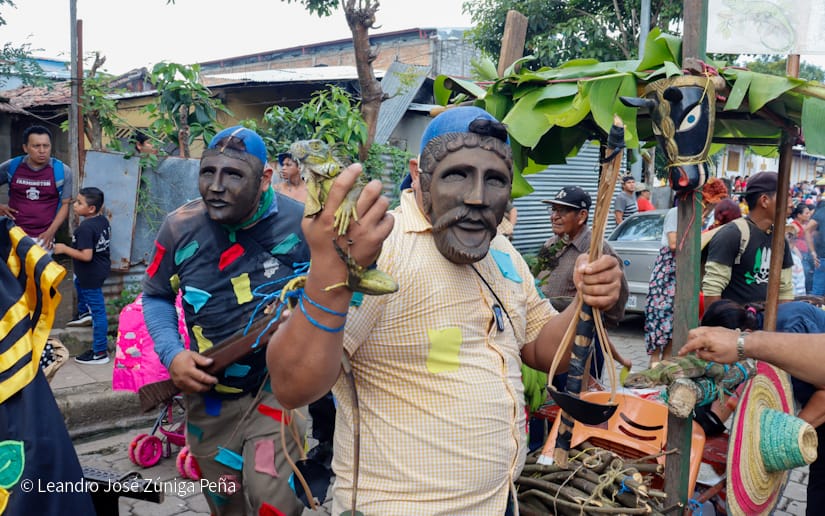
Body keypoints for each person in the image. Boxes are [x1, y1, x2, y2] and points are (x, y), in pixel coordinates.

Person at [267, 106, 624, 514]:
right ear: (419, 175)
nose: (477, 197)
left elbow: (542, 349)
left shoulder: (502, 252)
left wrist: (586, 299)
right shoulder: (380, 248)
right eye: (458, 175)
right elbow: (293, 387)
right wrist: (328, 278)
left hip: (498, 501)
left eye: (495, 180)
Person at [141, 126, 310, 516]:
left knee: (274, 501)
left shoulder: (302, 225)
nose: (215, 186)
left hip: (277, 391)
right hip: (209, 402)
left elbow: (337, 295)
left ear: (265, 177)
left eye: (233, 175)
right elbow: (156, 295)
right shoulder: (179, 227)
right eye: (208, 172)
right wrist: (172, 355)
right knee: (225, 503)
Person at [698, 299, 825, 514]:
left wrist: (781, 441)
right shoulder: (754, 338)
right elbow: (732, 388)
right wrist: (709, 420)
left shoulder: (787, 331)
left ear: (740, 336)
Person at [535, 186, 631, 375]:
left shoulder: (597, 250)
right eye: (553, 210)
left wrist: (599, 323)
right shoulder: (550, 245)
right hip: (546, 338)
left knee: (580, 399)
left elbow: (617, 300)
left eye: (562, 211)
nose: (554, 216)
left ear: (582, 216)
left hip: (580, 343)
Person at [702, 171, 794, 307]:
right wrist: (718, 325)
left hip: (765, 325)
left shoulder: (780, 240)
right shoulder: (732, 234)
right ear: (764, 200)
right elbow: (713, 289)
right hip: (734, 326)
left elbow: (785, 290)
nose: (791, 204)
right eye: (787, 196)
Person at [54, 187, 112, 363]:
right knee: (78, 284)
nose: (74, 205)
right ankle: (83, 312)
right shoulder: (102, 220)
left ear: (91, 209)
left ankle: (100, 352)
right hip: (98, 269)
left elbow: (86, 256)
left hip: (90, 274)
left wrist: (64, 249)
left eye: (79, 203)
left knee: (98, 313)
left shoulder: (85, 229)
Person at [0, 125, 73, 250]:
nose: (42, 150)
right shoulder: (12, 166)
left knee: (41, 270)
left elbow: (65, 204)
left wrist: (51, 231)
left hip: (43, 238)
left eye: (46, 146)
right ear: (25, 148)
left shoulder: (62, 171)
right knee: (12, 269)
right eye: (36, 146)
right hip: (12, 233)